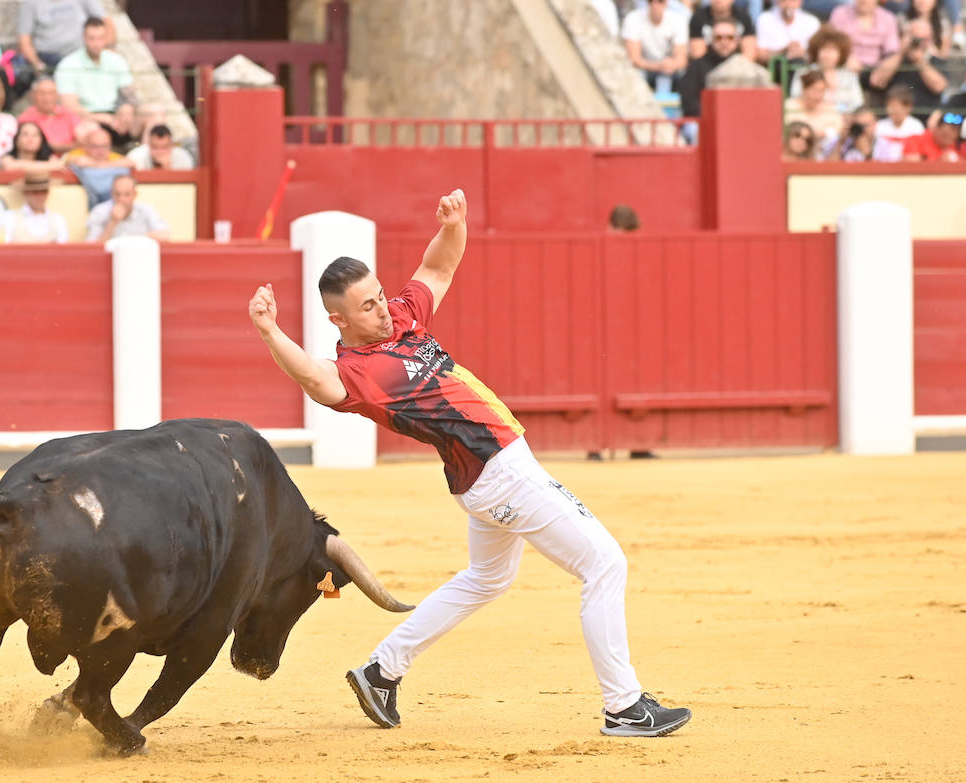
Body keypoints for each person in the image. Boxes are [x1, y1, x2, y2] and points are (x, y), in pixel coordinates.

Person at [246, 189, 692, 738]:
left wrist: (455, 224)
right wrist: (270, 331)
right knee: (605, 564)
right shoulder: (357, 371)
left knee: (487, 578)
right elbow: (315, 380)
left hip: (486, 475)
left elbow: (437, 265)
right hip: (501, 473)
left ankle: (381, 670)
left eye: (380, 295)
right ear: (338, 320)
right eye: (366, 306)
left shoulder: (404, 318)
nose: (382, 309)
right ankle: (624, 707)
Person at [55, 17, 133, 127]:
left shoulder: (117, 60)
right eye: (92, 38)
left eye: (100, 38)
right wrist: (98, 118)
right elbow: (69, 106)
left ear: (106, 38)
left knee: (154, 112)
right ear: (84, 37)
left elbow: (129, 95)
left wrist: (127, 107)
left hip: (116, 116)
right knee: (93, 132)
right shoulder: (68, 64)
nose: (96, 43)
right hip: (86, 119)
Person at [16, 0, 113, 76]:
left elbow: (107, 22)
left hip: (82, 55)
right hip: (50, 59)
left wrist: (106, 51)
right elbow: (24, 40)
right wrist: (37, 64)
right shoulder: (30, 3)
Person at [868, 18, 947, 111]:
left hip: (924, 118)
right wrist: (901, 52)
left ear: (930, 40)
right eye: (916, 38)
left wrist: (920, 61)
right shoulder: (893, 58)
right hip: (893, 117)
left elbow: (939, 87)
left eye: (924, 39)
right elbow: (876, 81)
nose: (919, 43)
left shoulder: (935, 61)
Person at [622, 0, 689, 94]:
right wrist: (659, 66)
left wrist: (669, 65)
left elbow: (682, 60)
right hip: (645, 69)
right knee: (637, 75)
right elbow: (633, 59)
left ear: (666, 3)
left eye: (660, 1)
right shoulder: (633, 19)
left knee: (672, 76)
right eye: (650, 1)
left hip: (669, 70)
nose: (655, 5)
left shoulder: (678, 20)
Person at [678, 19, 740, 118]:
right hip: (703, 120)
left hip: (736, 120)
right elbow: (688, 101)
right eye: (719, 38)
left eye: (730, 37)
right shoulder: (696, 66)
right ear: (711, 40)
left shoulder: (745, 68)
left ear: (737, 41)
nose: (724, 42)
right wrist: (714, 116)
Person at [85, 172, 169, 242]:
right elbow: (93, 248)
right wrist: (112, 222)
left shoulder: (146, 210)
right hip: (110, 260)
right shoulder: (99, 212)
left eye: (127, 194)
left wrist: (133, 240)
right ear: (111, 194)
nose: (121, 199)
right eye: (117, 194)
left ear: (135, 194)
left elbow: (164, 235)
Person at [828, 0, 901, 73]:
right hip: (845, 69)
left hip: (875, 71)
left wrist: (885, 67)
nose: (864, 1)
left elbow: (892, 50)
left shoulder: (888, 18)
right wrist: (846, 57)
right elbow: (831, 44)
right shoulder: (840, 14)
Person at [0, 171, 67, 243]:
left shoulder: (58, 220)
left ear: (48, 193)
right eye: (35, 191)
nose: (39, 196)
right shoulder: (9, 217)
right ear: (26, 192)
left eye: (43, 191)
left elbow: (63, 250)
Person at [784, 70, 844, 152]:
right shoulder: (789, 106)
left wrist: (824, 134)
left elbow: (838, 130)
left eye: (821, 91)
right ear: (804, 88)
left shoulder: (830, 110)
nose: (817, 96)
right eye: (814, 90)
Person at [17, 76, 79, 154]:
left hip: (71, 161)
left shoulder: (69, 115)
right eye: (42, 93)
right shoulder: (25, 118)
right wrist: (66, 147)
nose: (47, 98)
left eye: (51, 93)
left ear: (57, 95)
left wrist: (51, 146)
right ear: (33, 95)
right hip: (40, 162)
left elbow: (83, 143)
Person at [755, 0, 820, 65]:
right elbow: (761, 56)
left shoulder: (812, 22)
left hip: (805, 66)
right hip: (776, 68)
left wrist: (802, 53)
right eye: (784, 0)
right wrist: (784, 51)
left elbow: (818, 53)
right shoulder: (765, 19)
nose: (788, 3)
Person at [689, 0, 756, 61]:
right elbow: (698, 56)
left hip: (737, 67)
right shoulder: (698, 18)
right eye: (718, 37)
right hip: (708, 68)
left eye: (730, 37)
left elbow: (749, 54)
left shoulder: (743, 17)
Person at [874, 84, 924, 159]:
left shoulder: (916, 127)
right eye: (889, 106)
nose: (891, 110)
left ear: (908, 107)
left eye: (895, 106)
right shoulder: (880, 126)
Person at [125, 123, 195, 170]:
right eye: (155, 147)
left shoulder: (183, 157)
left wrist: (167, 167)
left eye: (164, 147)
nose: (160, 152)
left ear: (172, 145)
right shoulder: (138, 155)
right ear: (149, 144)